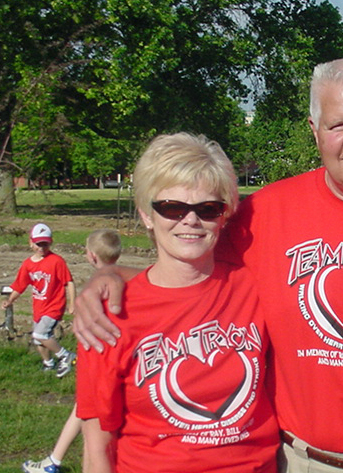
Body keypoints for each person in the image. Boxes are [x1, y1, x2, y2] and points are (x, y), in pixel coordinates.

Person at [74, 57, 343, 473]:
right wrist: (112, 275)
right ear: (314, 130)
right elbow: (187, 264)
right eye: (337, 125)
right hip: (301, 461)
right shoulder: (262, 215)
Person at [76, 133, 278, 473]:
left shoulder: (254, 287)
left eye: (208, 209)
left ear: (224, 216)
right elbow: (98, 443)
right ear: (147, 215)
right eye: (172, 207)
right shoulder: (109, 314)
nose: (190, 220)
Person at [22, 229, 123, 473]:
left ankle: (56, 462)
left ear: (91, 255)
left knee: (94, 433)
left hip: (100, 365)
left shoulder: (97, 290)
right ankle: (53, 461)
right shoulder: (127, 283)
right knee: (83, 411)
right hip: (119, 364)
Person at [2, 223, 76, 378]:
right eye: (38, 244)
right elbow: (20, 285)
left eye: (45, 244)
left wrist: (72, 303)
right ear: (31, 242)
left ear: (51, 242)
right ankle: (48, 363)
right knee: (38, 340)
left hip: (54, 306)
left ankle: (66, 355)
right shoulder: (28, 265)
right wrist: (10, 300)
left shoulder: (56, 261)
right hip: (39, 307)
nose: (41, 248)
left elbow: (69, 282)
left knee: (40, 334)